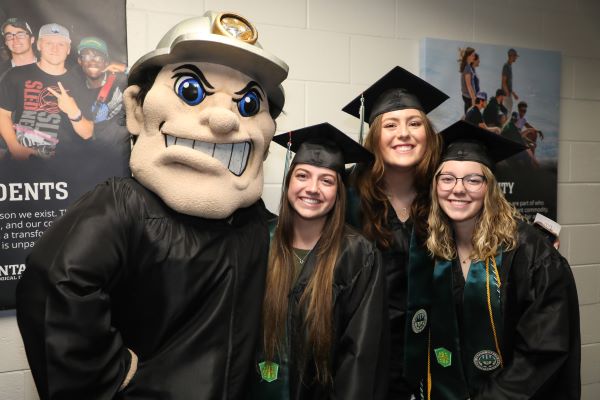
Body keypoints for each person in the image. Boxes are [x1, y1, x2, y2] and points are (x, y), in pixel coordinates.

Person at [16, 11, 289, 399]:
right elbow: (52, 281)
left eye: (247, 104)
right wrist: (106, 377)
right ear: (136, 109)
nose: (225, 121)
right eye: (191, 91)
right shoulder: (126, 205)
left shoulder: (256, 223)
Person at [405, 120, 580, 399]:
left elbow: (543, 350)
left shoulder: (530, 252)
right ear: (436, 186)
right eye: (447, 178)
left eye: (473, 179)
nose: (458, 189)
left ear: (490, 187)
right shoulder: (433, 246)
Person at [253, 122, 388, 399]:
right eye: (302, 176)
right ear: (289, 181)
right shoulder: (258, 242)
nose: (312, 188)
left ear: (338, 192)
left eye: (326, 181)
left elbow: (359, 355)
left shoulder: (358, 256)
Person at [341, 66, 449, 399]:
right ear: (374, 137)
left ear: (428, 135)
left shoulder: (447, 197)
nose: (404, 133)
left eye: (415, 123)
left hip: (434, 363)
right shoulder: (345, 196)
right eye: (390, 124)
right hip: (360, 361)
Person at [0, 23, 93, 160]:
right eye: (49, 43)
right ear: (38, 45)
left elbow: (87, 133)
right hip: (23, 162)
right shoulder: (17, 75)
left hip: (63, 165)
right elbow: (2, 114)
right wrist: (14, 147)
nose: (55, 49)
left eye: (61, 44)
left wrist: (74, 112)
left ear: (68, 49)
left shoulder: (80, 83)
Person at [76, 36, 130, 163]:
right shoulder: (75, 88)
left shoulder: (121, 81)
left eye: (98, 56)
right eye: (87, 56)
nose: (93, 61)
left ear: (106, 62)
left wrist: (125, 69)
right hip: (92, 160)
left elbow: (149, 80)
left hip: (123, 160)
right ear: (80, 61)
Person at [459, 47, 477, 115]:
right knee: (469, 118)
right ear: (468, 56)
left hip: (466, 96)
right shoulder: (467, 68)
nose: (474, 57)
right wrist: (473, 99)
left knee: (467, 115)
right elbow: (469, 86)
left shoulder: (467, 66)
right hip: (468, 97)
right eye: (472, 55)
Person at [501, 48, 519, 113]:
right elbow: (504, 82)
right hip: (506, 96)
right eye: (515, 56)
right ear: (511, 56)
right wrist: (508, 94)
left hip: (508, 95)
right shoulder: (506, 66)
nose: (516, 58)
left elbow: (508, 84)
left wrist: (513, 94)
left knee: (508, 113)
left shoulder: (509, 66)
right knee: (506, 114)